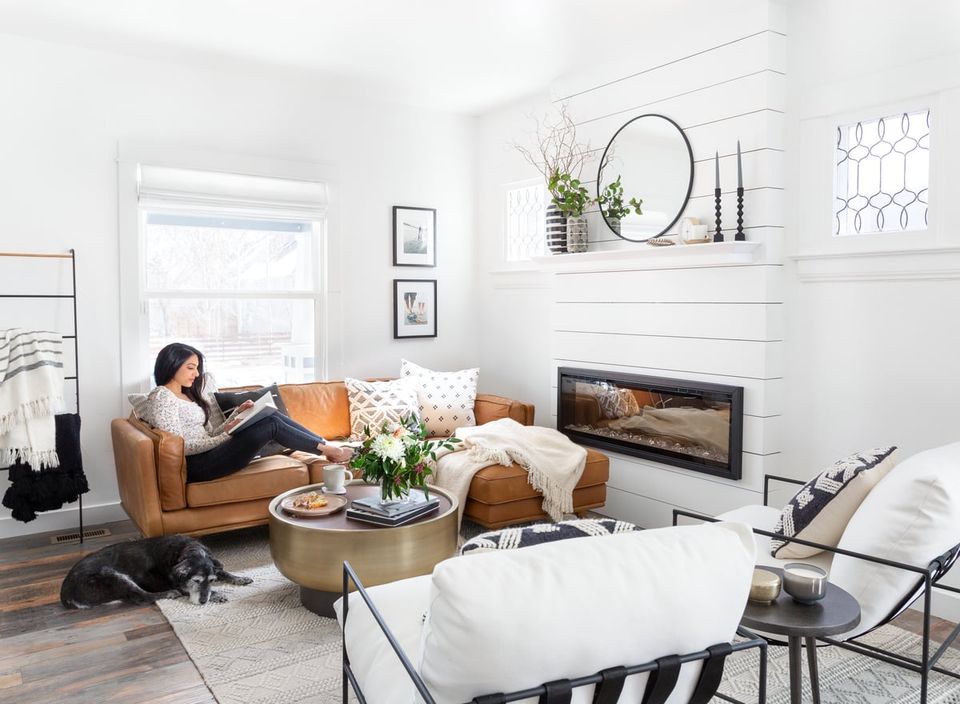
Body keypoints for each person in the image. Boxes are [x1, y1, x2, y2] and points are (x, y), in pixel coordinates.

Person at [146, 342, 352, 483]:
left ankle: (326, 446)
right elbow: (178, 448)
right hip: (197, 465)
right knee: (270, 425)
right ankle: (331, 451)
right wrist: (226, 435)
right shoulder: (162, 396)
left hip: (210, 454)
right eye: (191, 367)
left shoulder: (188, 395)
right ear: (172, 365)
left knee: (268, 414)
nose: (197, 374)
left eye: (197, 368)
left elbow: (208, 434)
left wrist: (236, 416)